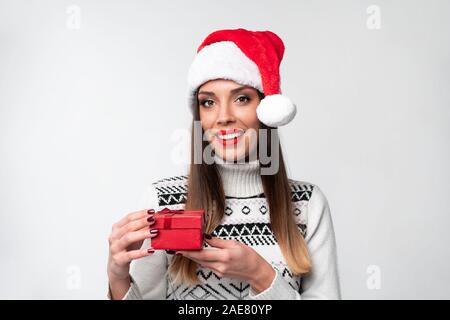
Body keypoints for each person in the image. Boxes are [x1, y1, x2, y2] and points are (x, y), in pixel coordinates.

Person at [107, 28, 341, 300]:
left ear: (266, 109)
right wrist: (117, 276)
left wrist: (260, 275)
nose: (223, 117)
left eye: (242, 99)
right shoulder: (162, 200)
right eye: (208, 102)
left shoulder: (307, 204)